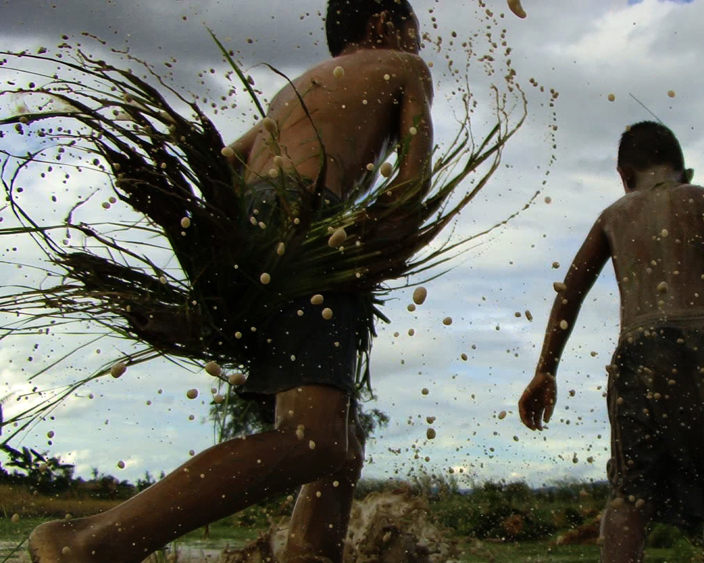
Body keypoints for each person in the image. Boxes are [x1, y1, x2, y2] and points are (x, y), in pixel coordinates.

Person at [28, 1, 432, 562]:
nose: (420, 47)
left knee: (340, 444)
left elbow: (227, 166)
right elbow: (412, 184)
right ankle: (93, 543)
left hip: (258, 228)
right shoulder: (401, 65)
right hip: (310, 223)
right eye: (417, 33)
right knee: (313, 440)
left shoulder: (293, 93)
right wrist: (373, 252)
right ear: (385, 27)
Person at [518, 121, 704, 563]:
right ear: (685, 171)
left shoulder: (614, 214)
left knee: (631, 491)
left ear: (624, 175)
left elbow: (571, 294)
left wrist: (546, 369)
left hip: (643, 346)